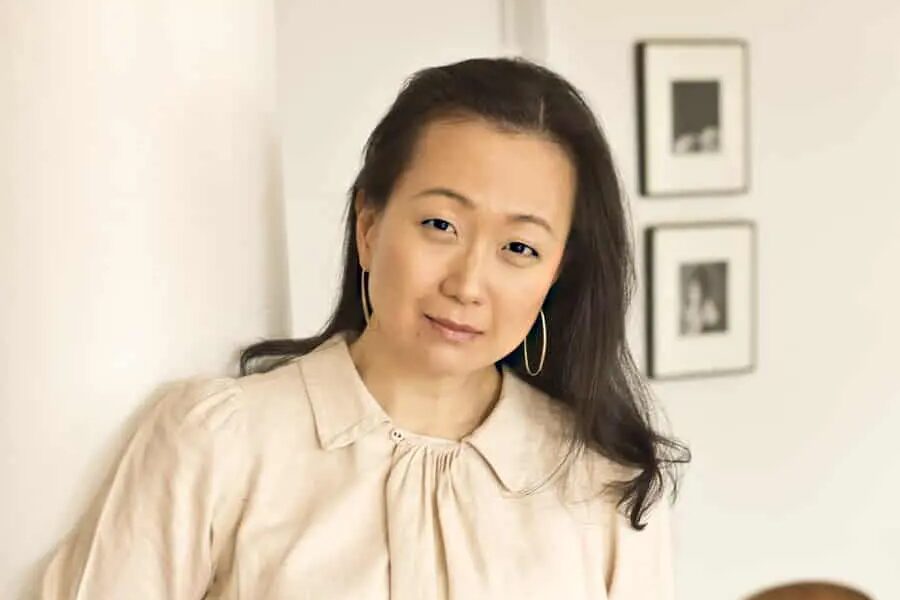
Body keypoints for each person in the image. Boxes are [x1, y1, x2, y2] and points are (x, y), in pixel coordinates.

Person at [40, 56, 690, 599]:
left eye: (518, 248)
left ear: (556, 274)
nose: (467, 284)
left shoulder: (604, 484)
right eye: (441, 225)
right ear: (370, 226)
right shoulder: (218, 444)